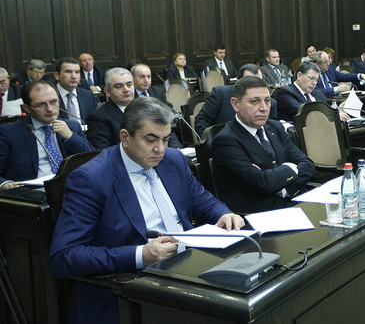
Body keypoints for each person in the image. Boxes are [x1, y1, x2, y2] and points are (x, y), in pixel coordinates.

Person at [48, 97, 244, 324]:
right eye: (150, 140)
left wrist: (223, 213)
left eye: (165, 139)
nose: (160, 149)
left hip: (189, 269)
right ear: (125, 137)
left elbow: (203, 200)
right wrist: (141, 255)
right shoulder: (91, 179)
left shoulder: (173, 159)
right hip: (133, 288)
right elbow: (64, 257)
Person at [211, 76, 315, 213]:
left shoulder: (275, 127)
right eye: (255, 101)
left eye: (267, 100)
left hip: (293, 197)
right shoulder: (225, 141)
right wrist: (291, 167)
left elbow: (307, 165)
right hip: (260, 212)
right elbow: (263, 183)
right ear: (236, 104)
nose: (264, 108)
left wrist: (284, 188)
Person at [0, 80, 93, 189]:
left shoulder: (72, 126)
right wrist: (4, 184)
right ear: (27, 108)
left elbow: (93, 160)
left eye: (54, 102)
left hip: (72, 188)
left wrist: (70, 136)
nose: (50, 109)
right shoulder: (9, 132)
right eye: (41, 105)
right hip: (33, 193)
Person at [195, 64, 279, 136]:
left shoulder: (271, 103)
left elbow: (272, 130)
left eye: (259, 82)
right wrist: (212, 142)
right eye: (249, 82)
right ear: (238, 81)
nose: (255, 86)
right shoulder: (220, 94)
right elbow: (201, 120)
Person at [86, 68, 136, 149]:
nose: (126, 89)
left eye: (129, 84)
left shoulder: (145, 109)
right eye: (119, 86)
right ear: (107, 91)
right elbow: (102, 152)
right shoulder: (98, 117)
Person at [54, 57, 99, 122]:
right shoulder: (48, 96)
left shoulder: (87, 95)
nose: (74, 76)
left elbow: (94, 120)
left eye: (77, 72)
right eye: (68, 72)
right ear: (57, 75)